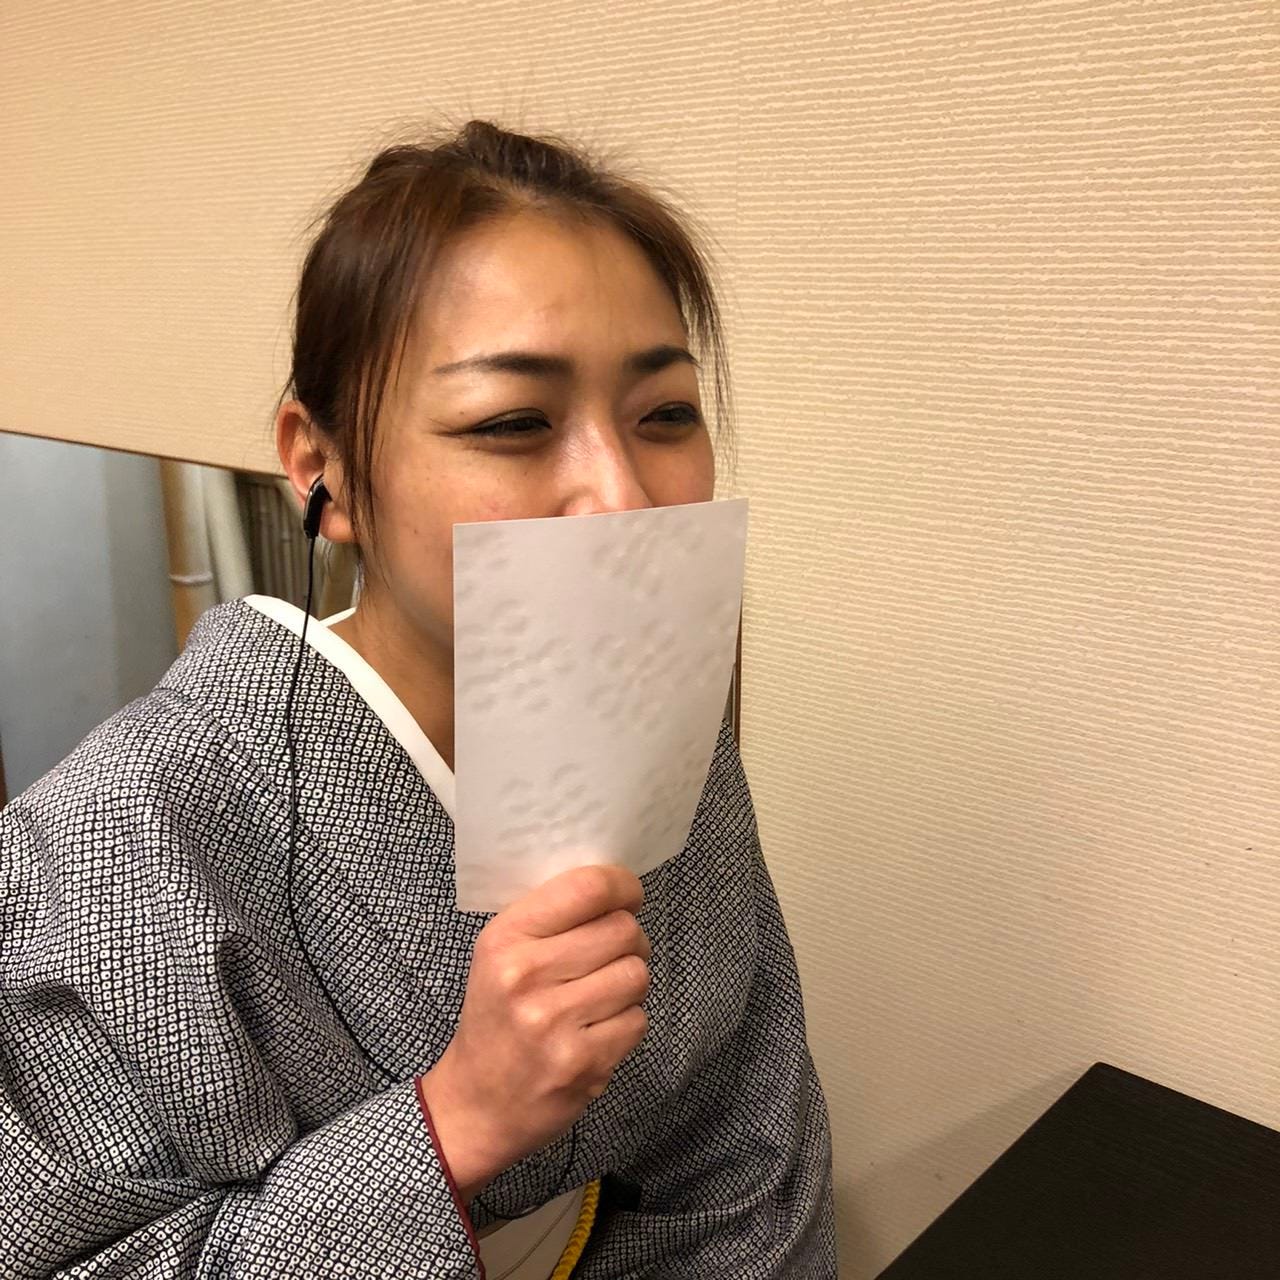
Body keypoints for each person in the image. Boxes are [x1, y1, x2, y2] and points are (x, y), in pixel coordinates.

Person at [0, 119, 836, 1278]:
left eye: (663, 414)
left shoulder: (669, 732)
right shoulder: (116, 836)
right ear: (323, 469)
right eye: (513, 422)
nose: (621, 497)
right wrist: (454, 1120)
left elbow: (752, 1152)